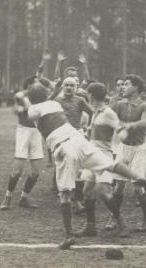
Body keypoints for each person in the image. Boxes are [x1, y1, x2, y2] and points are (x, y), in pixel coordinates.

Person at [24, 83, 146, 249]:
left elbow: (31, 115)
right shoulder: (55, 104)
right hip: (80, 141)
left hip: (65, 147)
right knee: (96, 181)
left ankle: (69, 235)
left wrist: (25, 103)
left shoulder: (41, 107)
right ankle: (139, 179)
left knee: (66, 193)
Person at [75, 82, 131, 238]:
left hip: (104, 156)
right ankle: (90, 227)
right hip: (92, 156)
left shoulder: (108, 112)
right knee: (87, 191)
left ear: (92, 95)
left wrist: (122, 150)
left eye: (87, 93)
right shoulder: (96, 112)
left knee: (101, 191)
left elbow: (122, 131)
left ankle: (122, 224)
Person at [109, 75, 146, 232]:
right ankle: (114, 217)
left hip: (139, 149)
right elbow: (108, 116)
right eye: (122, 84)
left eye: (126, 84)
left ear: (136, 88)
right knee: (118, 187)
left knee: (138, 188)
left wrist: (128, 126)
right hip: (123, 148)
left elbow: (144, 123)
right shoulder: (119, 105)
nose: (123, 87)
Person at [0, 76, 46, 210]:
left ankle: (24, 198)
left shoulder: (41, 99)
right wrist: (25, 97)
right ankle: (7, 197)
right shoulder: (22, 98)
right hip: (23, 132)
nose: (39, 87)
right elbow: (17, 107)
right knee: (17, 171)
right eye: (35, 85)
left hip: (37, 133)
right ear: (29, 86)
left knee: (36, 172)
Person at [53, 77, 94, 214]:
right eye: (66, 85)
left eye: (72, 85)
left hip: (76, 135)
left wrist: (89, 127)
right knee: (63, 166)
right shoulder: (56, 101)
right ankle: (63, 196)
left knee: (78, 168)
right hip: (60, 136)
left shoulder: (80, 100)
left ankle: (76, 201)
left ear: (76, 87)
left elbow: (93, 112)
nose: (69, 87)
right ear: (62, 87)